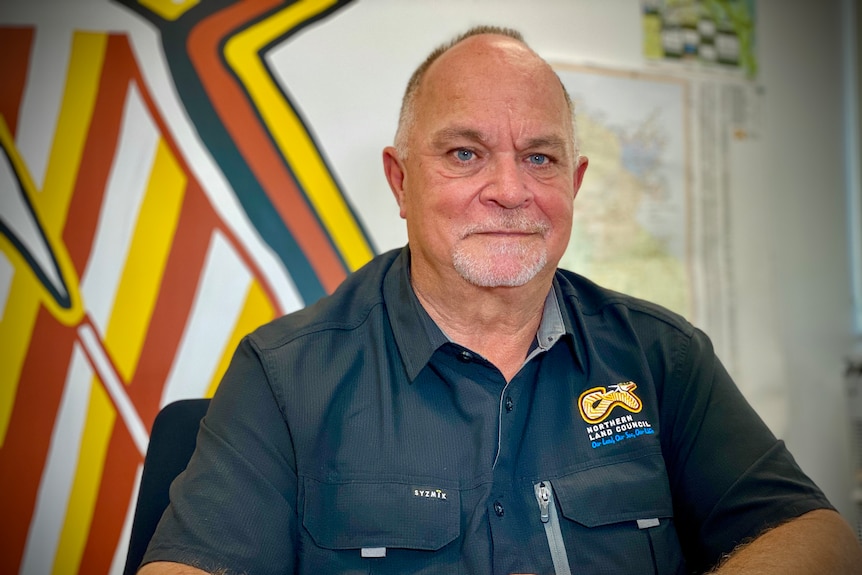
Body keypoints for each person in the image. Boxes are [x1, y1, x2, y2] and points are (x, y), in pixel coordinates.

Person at [139, 26, 862, 575]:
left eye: (540, 157)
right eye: (464, 153)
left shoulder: (661, 356)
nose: (511, 191)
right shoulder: (284, 373)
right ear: (400, 182)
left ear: (573, 184)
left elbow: (818, 534)